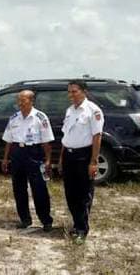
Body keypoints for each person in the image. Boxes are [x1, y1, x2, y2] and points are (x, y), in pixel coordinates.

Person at [58, 79, 104, 245]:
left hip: (84, 156)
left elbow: (97, 136)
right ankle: (77, 224)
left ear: (84, 91)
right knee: (70, 193)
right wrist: (61, 158)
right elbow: (66, 137)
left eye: (74, 91)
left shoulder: (93, 110)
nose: (71, 95)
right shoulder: (70, 111)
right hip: (69, 155)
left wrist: (93, 161)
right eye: (69, 92)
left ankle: (82, 230)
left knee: (84, 195)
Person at [1, 90, 54, 231]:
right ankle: (25, 219)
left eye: (23, 100)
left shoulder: (40, 118)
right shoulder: (14, 118)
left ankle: (46, 221)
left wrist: (48, 161)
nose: (19, 103)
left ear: (31, 101)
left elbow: (47, 142)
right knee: (19, 188)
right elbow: (8, 140)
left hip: (34, 153)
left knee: (39, 189)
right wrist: (5, 158)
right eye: (18, 100)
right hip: (17, 153)